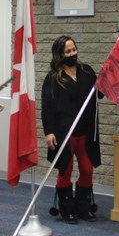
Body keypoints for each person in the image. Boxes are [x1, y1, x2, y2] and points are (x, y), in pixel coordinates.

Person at [42, 35, 102, 223]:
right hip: (63, 134)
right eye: (67, 51)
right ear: (59, 55)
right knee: (64, 171)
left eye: (74, 49)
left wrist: (109, 75)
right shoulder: (53, 78)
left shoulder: (87, 71)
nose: (72, 54)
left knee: (87, 169)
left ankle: (82, 206)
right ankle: (66, 208)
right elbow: (47, 107)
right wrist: (49, 132)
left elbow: (99, 93)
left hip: (85, 132)